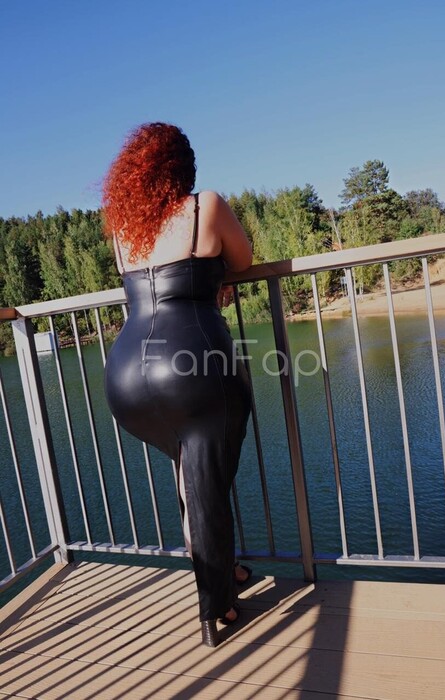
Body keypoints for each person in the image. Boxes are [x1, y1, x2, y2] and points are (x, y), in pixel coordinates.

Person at [102, 122, 253, 647]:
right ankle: (217, 610)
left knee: (193, 476)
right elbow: (243, 259)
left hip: (126, 375)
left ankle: (223, 570)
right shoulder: (203, 206)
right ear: (183, 170)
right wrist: (214, 278)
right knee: (206, 484)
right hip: (192, 367)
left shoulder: (125, 230)